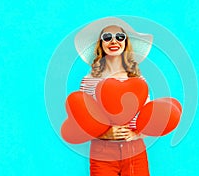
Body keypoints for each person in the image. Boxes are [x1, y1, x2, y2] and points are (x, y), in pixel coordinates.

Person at [74, 17, 153, 176]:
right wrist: (104, 134)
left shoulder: (137, 80)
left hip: (134, 151)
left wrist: (136, 134)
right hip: (102, 152)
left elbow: (149, 118)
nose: (114, 41)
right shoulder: (89, 81)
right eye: (107, 37)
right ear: (101, 44)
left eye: (120, 37)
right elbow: (82, 121)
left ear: (125, 43)